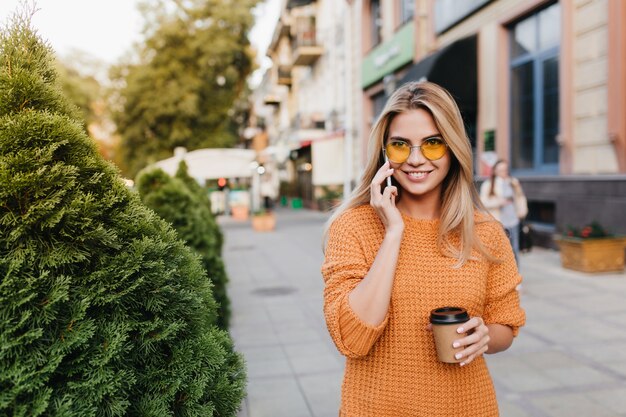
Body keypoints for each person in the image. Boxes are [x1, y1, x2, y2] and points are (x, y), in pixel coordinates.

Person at [321, 81, 525, 417]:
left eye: (432, 144)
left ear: (453, 148)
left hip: (468, 407)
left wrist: (484, 335)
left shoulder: (485, 231)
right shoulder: (353, 227)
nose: (416, 159)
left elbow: (506, 325)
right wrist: (393, 234)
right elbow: (352, 339)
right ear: (385, 152)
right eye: (401, 145)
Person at [479, 159, 528, 264]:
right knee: (501, 250)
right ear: (495, 171)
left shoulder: (513, 182)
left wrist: (521, 212)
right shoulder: (488, 184)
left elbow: (520, 198)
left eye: (505, 170)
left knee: (515, 249)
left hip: (513, 220)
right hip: (499, 222)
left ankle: (515, 276)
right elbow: (482, 202)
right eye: (500, 170)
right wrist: (499, 202)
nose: (503, 172)